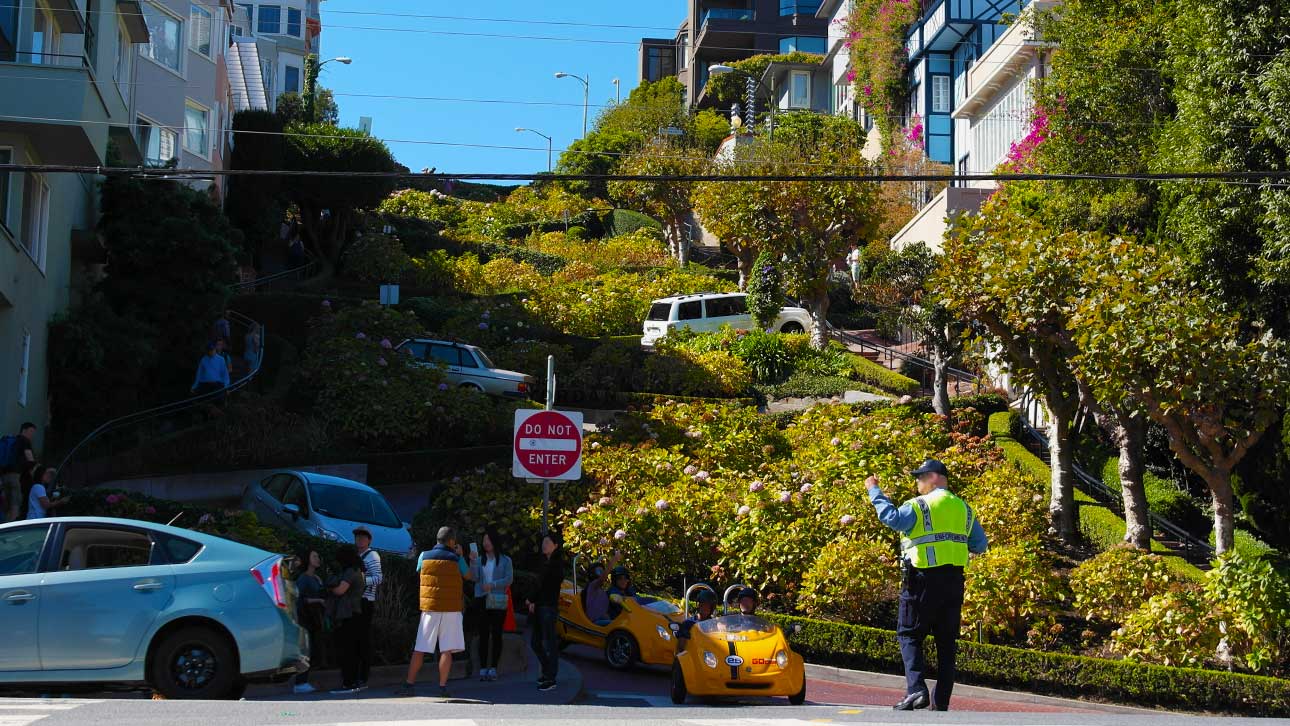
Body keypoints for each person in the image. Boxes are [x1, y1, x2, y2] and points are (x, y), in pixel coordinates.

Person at [866, 459, 988, 712]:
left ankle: (916, 691)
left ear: (933, 477)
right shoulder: (965, 509)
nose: (917, 483)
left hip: (921, 580)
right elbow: (979, 545)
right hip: (954, 582)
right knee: (946, 641)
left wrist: (874, 491)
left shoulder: (919, 506)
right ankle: (940, 701)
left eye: (920, 478)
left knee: (909, 634)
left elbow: (892, 518)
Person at [398, 526, 475, 698]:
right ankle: (442, 687)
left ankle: (409, 684)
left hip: (430, 608)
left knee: (420, 648)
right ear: (452, 541)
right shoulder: (456, 559)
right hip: (451, 609)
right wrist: (461, 556)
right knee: (446, 650)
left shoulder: (424, 556)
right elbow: (469, 576)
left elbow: (419, 570)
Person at [469, 527, 513, 682]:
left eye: (489, 540)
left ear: (495, 541)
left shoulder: (506, 560)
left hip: (497, 598)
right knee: (483, 634)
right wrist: (473, 561)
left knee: (496, 634)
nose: (486, 543)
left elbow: (509, 579)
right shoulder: (480, 559)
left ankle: (493, 667)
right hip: (481, 599)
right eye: (484, 540)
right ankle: (482, 668)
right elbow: (473, 578)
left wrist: (493, 584)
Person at [327, 545, 367, 695]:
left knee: (346, 650)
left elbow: (340, 590)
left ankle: (348, 683)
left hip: (348, 614)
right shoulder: (359, 571)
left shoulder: (351, 571)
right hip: (355, 613)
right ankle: (355, 681)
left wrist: (329, 587)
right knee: (353, 650)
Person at [527, 531, 564, 692]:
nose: (544, 544)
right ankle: (548, 671)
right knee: (535, 642)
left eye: (548, 542)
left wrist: (532, 599)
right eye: (543, 542)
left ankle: (551, 676)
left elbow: (544, 584)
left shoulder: (556, 565)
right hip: (540, 606)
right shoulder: (543, 562)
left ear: (556, 545)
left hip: (548, 606)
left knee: (550, 643)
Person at [354, 527, 383, 691]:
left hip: (366, 601)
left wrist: (361, 581)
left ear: (369, 540)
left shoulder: (372, 555)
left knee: (363, 640)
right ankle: (359, 675)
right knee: (358, 640)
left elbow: (379, 578)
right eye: (358, 537)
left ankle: (363, 677)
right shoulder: (357, 556)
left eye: (363, 537)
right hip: (358, 601)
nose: (359, 540)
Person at [294, 549, 327, 694]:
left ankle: (303, 681)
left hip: (315, 619)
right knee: (305, 650)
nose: (318, 558)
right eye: (314, 556)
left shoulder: (316, 578)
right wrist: (318, 600)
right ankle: (300, 682)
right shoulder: (303, 578)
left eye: (318, 555)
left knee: (312, 649)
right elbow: (298, 599)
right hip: (305, 618)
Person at [1, 422, 36, 523]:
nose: (32, 435)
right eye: (31, 431)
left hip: (4, 475)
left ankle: (3, 526)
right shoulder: (24, 441)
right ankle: (11, 529)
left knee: (6, 504)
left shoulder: (11, 440)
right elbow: (30, 459)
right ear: (24, 430)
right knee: (16, 503)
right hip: (15, 476)